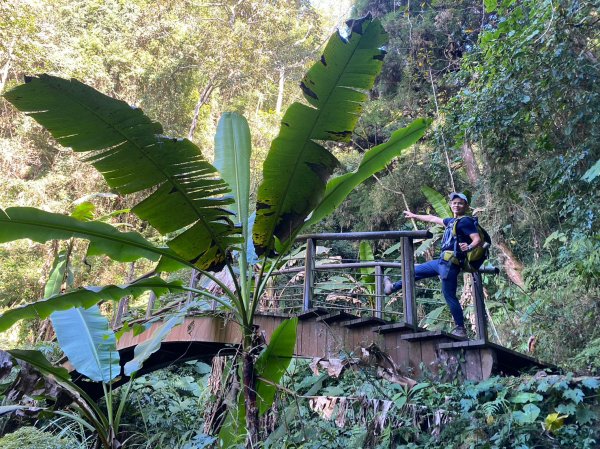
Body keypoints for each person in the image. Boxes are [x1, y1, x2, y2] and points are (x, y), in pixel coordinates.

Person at [384, 192, 482, 338]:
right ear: (450, 205)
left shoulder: (465, 222)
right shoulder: (451, 221)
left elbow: (477, 239)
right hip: (441, 262)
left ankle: (460, 329)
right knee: (413, 272)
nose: (457, 205)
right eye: (454, 203)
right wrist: (415, 216)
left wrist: (468, 247)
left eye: (460, 203)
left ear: (466, 206)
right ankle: (392, 287)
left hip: (451, 265)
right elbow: (433, 218)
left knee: (449, 296)